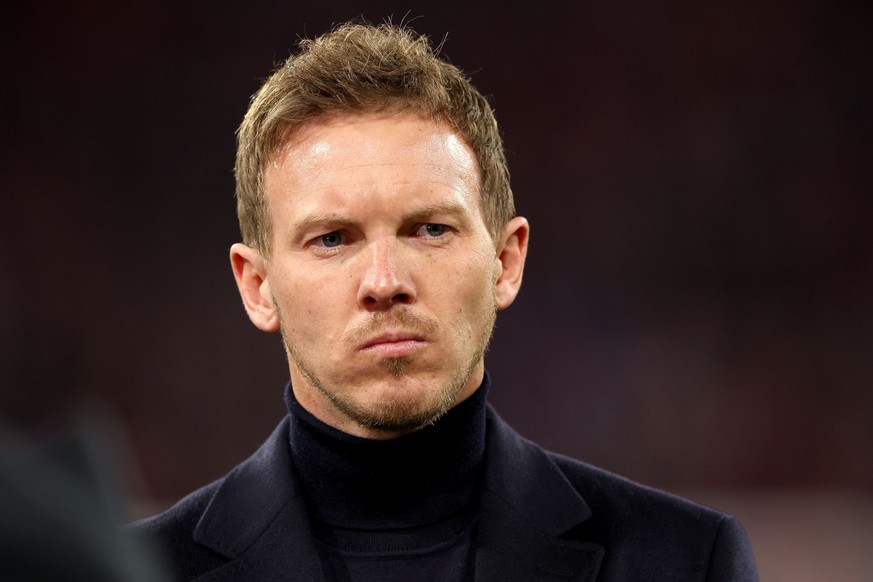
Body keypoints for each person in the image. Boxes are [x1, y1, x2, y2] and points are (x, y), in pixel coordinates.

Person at [131, 22, 758, 581]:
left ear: (505, 262)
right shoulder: (131, 572)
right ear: (257, 287)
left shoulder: (683, 560)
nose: (384, 281)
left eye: (430, 229)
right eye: (331, 239)